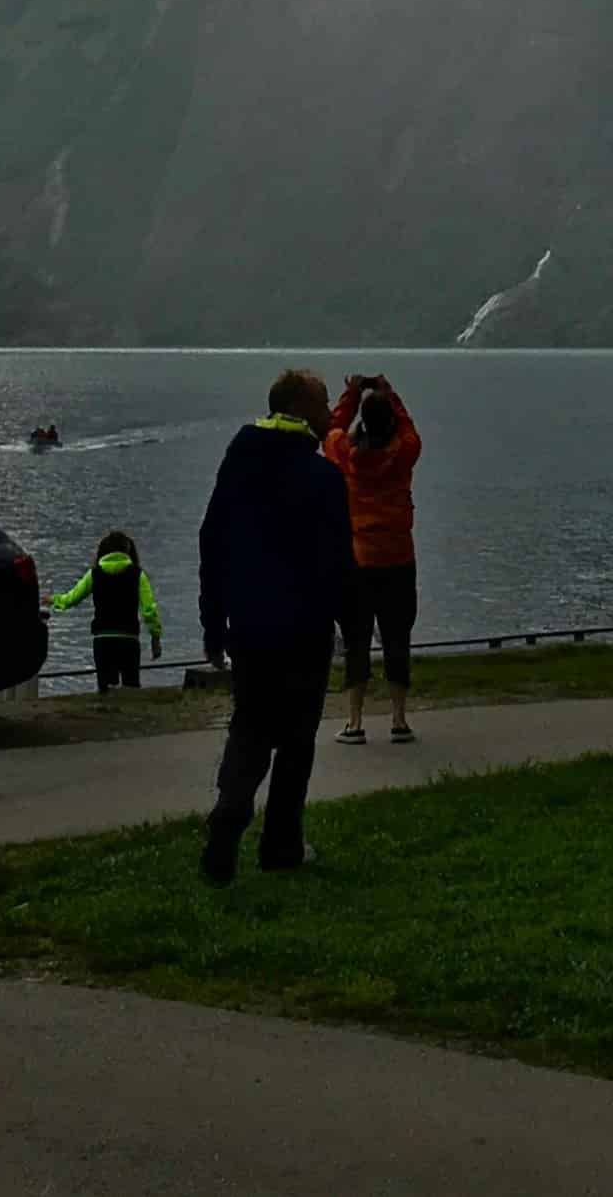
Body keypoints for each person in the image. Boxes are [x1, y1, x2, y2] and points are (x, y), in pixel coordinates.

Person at [195, 367, 354, 883]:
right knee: (296, 739)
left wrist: (212, 621)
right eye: (325, 402)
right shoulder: (323, 478)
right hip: (304, 628)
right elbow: (338, 564)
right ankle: (281, 844)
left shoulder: (238, 462)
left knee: (250, 726)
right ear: (305, 411)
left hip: (248, 623)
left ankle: (228, 820)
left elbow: (211, 540)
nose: (332, 412)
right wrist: (352, 629)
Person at [327, 372, 425, 745]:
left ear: (362, 422)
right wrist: (390, 394)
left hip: (357, 560)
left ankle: (354, 722)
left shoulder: (345, 458)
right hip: (398, 558)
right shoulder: (403, 455)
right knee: (398, 637)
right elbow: (410, 432)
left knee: (356, 640)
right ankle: (399, 719)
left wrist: (351, 393)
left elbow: (332, 428)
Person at [52, 528, 166, 690]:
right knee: (131, 688)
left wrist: (54, 600)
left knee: (105, 690)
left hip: (103, 640)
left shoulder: (94, 574)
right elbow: (149, 610)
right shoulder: (137, 575)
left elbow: (72, 598)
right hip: (129, 640)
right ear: (129, 551)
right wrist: (155, 638)